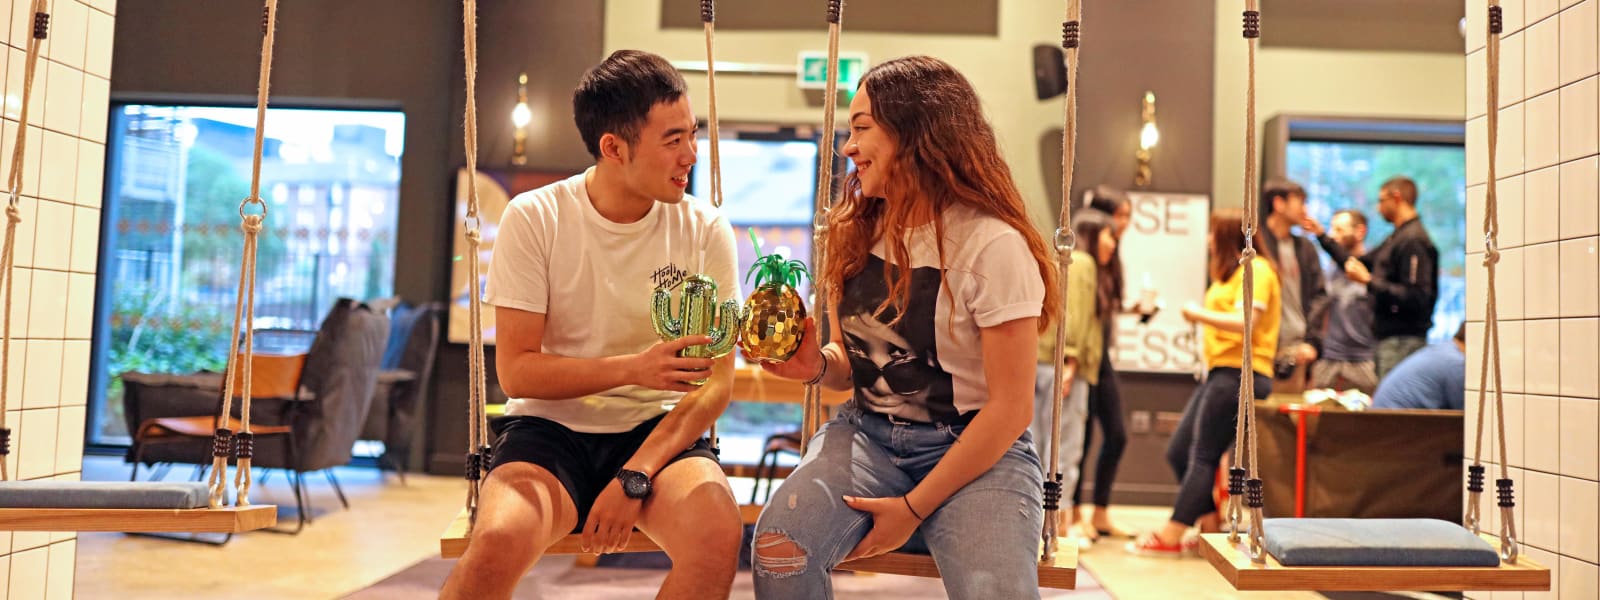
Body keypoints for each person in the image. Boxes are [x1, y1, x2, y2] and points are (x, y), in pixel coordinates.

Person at [750, 55, 1058, 599]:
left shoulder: (992, 246)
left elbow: (1011, 407)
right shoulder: (853, 231)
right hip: (868, 438)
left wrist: (913, 509)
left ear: (916, 135)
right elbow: (858, 367)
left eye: (862, 128)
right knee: (779, 548)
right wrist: (816, 365)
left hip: (977, 446)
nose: (848, 147)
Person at [440, 50, 742, 600]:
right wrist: (635, 368)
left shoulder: (705, 228)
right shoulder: (536, 217)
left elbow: (718, 381)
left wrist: (637, 474)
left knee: (718, 531)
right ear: (613, 148)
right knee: (495, 545)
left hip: (657, 435)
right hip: (549, 433)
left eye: (691, 135)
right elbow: (518, 374)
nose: (691, 155)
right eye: (672, 140)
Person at [1128, 208, 1280, 558]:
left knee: (1202, 455)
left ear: (1227, 235)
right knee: (1179, 451)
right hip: (1221, 372)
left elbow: (1247, 323)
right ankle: (1209, 521)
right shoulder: (1233, 274)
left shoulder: (1258, 270)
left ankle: (1172, 532)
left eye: (1213, 233)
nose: (1208, 240)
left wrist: (1197, 314)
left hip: (1243, 373)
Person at [1031, 211, 1116, 541]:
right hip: (1062, 366)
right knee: (1063, 447)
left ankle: (1039, 524)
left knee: (1036, 445)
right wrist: (1073, 362)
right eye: (1110, 235)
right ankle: (1059, 526)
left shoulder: (1057, 260)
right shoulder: (1083, 263)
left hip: (1037, 360)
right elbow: (1075, 313)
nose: (1113, 243)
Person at [1314, 176, 1439, 378]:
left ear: (1397, 197)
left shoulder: (1413, 240)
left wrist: (1368, 282)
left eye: (1381, 201)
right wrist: (1322, 237)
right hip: (1387, 341)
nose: (1379, 208)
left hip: (1403, 342)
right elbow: (1357, 262)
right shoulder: (1396, 237)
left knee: (1392, 406)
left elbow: (1418, 296)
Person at [1258, 179, 1326, 394]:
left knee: (1291, 423)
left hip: (1297, 351)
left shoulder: (1305, 248)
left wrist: (1313, 343)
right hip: (1262, 351)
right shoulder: (1255, 245)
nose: (1305, 210)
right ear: (1279, 204)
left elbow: (1320, 296)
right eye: (1300, 202)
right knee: (1255, 420)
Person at [1302, 209, 1379, 393]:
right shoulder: (1329, 271)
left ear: (1360, 232)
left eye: (1339, 230)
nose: (1332, 236)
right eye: (1331, 229)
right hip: (1329, 359)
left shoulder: (1374, 270)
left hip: (1365, 360)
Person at [1371, 324, 1466, 410]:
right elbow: (1467, 416)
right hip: (1394, 421)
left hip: (1383, 417)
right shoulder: (1456, 362)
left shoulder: (1443, 350)